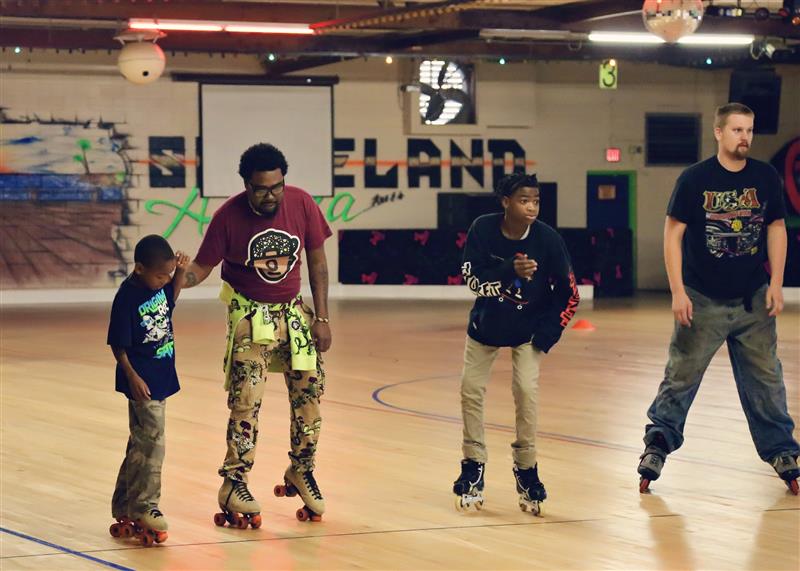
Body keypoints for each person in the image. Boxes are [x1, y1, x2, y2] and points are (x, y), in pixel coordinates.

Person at [637, 102, 800, 495]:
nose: (744, 137)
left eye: (749, 130)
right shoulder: (695, 179)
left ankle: (782, 451)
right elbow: (672, 233)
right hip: (702, 299)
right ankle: (658, 443)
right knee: (681, 376)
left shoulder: (764, 177)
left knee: (767, 381)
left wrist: (777, 281)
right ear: (719, 133)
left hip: (753, 301)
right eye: (737, 130)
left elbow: (777, 228)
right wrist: (677, 290)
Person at [181, 143, 332, 526]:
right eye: (262, 189)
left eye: (277, 187)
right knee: (246, 400)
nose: (271, 196)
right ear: (246, 185)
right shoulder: (228, 216)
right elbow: (201, 267)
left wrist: (323, 318)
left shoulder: (301, 203)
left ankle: (302, 468)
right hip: (251, 315)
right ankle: (234, 481)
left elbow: (317, 262)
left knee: (310, 394)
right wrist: (173, 279)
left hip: (294, 313)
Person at [453, 172, 580, 514]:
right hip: (485, 327)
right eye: (524, 200)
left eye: (536, 200)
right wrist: (509, 270)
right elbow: (473, 281)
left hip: (529, 329)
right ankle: (473, 464)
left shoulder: (548, 240)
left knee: (526, 390)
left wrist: (545, 336)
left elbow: (570, 295)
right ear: (506, 202)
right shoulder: (482, 229)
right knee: (470, 389)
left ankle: (526, 468)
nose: (532, 207)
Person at [107, 235, 189, 546]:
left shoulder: (158, 287)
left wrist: (179, 272)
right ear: (139, 268)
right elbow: (118, 344)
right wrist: (132, 377)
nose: (164, 281)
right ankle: (145, 507)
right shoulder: (127, 297)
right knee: (154, 443)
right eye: (160, 275)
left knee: (140, 443)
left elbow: (170, 299)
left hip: (161, 374)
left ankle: (124, 505)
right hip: (141, 381)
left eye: (167, 274)